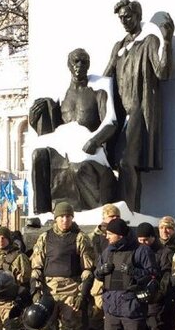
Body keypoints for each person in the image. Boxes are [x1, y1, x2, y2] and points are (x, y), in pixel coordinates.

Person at [28, 48, 120, 212]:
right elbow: (50, 131)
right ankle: (43, 214)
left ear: (89, 65)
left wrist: (95, 140)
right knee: (39, 156)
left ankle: (90, 213)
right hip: (65, 149)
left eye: (84, 62)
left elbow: (111, 122)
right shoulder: (61, 96)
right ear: (68, 65)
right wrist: (34, 119)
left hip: (91, 152)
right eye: (75, 61)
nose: (80, 65)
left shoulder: (97, 92)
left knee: (78, 168)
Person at [20, 201, 96, 330]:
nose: (65, 220)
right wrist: (35, 289)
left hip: (71, 290)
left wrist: (82, 294)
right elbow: (36, 265)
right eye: (61, 217)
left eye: (68, 216)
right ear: (55, 218)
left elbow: (88, 269)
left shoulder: (80, 238)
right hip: (48, 291)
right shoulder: (45, 237)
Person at [105, 0, 174, 210]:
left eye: (128, 16)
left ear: (137, 16)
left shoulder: (149, 41)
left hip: (138, 112)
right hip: (118, 113)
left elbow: (163, 73)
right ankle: (119, 212)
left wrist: (168, 42)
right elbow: (105, 77)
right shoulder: (119, 46)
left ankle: (129, 214)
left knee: (128, 162)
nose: (124, 21)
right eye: (121, 18)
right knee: (111, 163)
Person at [93, 218, 156, 330]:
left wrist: (133, 272)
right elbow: (97, 272)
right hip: (112, 305)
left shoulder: (141, 250)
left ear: (119, 235)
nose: (107, 236)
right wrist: (101, 271)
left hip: (132, 306)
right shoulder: (107, 251)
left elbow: (152, 275)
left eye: (110, 234)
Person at [83, 203, 121, 330]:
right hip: (99, 283)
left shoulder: (125, 235)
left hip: (118, 283)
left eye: (115, 217)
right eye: (110, 217)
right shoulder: (93, 237)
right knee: (96, 328)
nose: (112, 220)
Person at [136, 222, 175, 330]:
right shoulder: (137, 252)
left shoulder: (164, 253)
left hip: (156, 302)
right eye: (141, 240)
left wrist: (157, 295)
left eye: (147, 239)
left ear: (153, 238)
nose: (144, 243)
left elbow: (166, 278)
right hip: (138, 302)